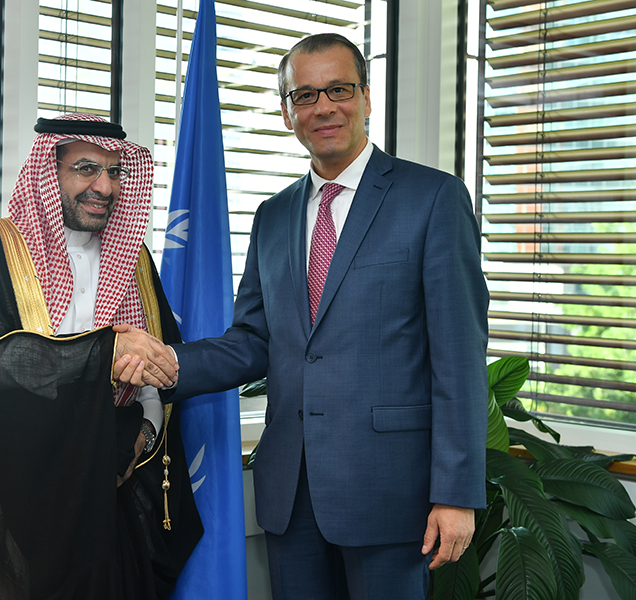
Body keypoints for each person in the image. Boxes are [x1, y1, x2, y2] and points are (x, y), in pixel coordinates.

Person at [115, 33, 488, 599]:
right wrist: (169, 361)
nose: (323, 107)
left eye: (338, 89)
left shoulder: (433, 199)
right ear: (287, 112)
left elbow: (459, 358)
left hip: (390, 490)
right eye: (305, 95)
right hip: (291, 492)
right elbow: (252, 339)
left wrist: (457, 493)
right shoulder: (273, 215)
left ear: (366, 96)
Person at [0, 112, 201, 600]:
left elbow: (162, 367)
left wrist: (138, 439)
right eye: (85, 169)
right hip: (28, 499)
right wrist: (103, 351)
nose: (104, 186)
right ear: (48, 171)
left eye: (115, 172)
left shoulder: (134, 258)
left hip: (117, 493)